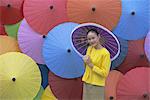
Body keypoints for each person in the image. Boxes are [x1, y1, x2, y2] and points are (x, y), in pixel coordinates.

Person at [82, 29, 111, 100]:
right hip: (87, 82)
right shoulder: (89, 49)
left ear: (98, 37)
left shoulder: (105, 53)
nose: (91, 41)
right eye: (89, 39)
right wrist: (85, 61)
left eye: (93, 38)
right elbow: (86, 66)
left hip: (97, 84)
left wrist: (91, 65)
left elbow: (105, 73)